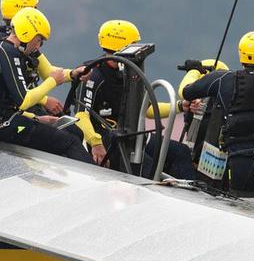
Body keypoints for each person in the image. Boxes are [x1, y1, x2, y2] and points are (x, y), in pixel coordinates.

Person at [0, 7, 91, 163]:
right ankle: (100, 184)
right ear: (27, 34)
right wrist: (52, 81)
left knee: (72, 132)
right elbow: (24, 100)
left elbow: (3, 104)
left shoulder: (1, 47)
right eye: (39, 40)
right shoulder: (7, 52)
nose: (38, 47)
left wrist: (37, 118)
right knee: (71, 142)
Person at [69, 19, 197, 178]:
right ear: (121, 46)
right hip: (105, 137)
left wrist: (180, 106)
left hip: (131, 133)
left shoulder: (130, 72)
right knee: (148, 167)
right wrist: (96, 143)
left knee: (180, 152)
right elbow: (81, 115)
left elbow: (147, 109)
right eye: (134, 44)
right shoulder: (92, 73)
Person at [181, 30, 254, 195]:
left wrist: (193, 70)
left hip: (240, 162)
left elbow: (185, 92)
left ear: (241, 55)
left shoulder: (222, 79)